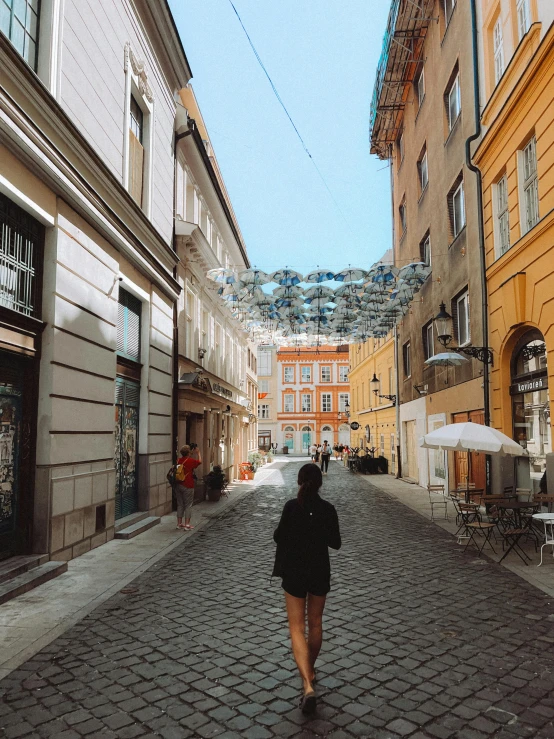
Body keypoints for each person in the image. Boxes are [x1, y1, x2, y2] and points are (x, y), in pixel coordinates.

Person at [272, 464, 341, 714]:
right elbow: (336, 543)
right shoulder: (328, 509)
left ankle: (308, 684)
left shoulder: (292, 506)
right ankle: (309, 671)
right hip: (319, 570)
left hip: (294, 571)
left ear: (299, 481)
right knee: (316, 624)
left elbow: (278, 536)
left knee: (296, 627)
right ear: (319, 484)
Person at [174, 444, 201, 530]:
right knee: (188, 505)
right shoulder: (190, 461)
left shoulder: (178, 460)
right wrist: (198, 453)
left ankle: (179, 523)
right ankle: (187, 524)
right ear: (188, 453)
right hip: (188, 484)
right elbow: (199, 462)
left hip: (179, 484)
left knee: (180, 504)